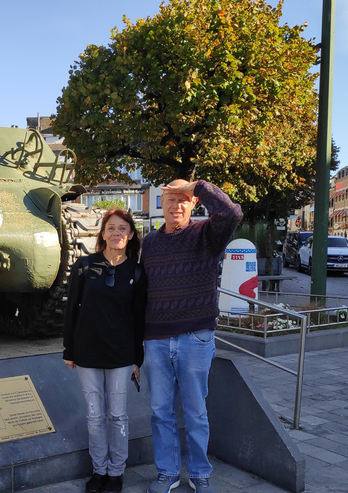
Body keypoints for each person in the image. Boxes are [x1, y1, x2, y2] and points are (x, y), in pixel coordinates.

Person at [141, 179, 242, 493]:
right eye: (171, 199)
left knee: (196, 412)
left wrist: (198, 185)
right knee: (160, 411)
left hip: (195, 338)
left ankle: (199, 474)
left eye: (183, 200)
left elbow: (232, 214)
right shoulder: (149, 243)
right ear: (162, 202)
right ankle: (168, 473)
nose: (176, 206)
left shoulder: (207, 235)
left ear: (194, 203)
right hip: (156, 340)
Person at [63, 209, 147, 493]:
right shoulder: (85, 266)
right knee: (95, 415)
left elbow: (138, 318)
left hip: (121, 356)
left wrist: (138, 359)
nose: (117, 234)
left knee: (118, 416)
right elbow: (71, 309)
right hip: (87, 353)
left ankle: (116, 472)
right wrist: (69, 349)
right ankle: (99, 470)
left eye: (123, 229)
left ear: (131, 234)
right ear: (102, 233)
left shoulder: (136, 272)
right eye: (111, 228)